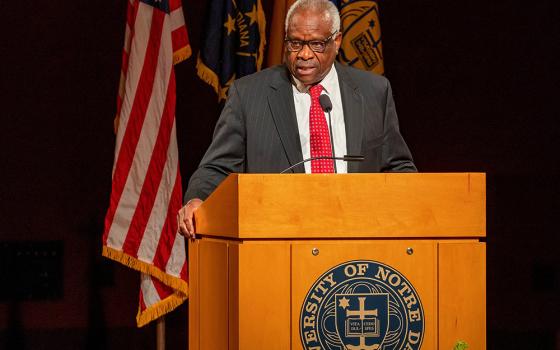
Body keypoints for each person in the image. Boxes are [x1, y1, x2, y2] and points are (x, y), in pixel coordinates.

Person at [178, 0, 416, 238]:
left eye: (316, 44)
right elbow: (216, 168)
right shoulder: (249, 95)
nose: (304, 54)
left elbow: (399, 168)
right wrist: (197, 199)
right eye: (295, 43)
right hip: (278, 240)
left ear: (337, 41)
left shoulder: (373, 91)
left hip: (357, 238)